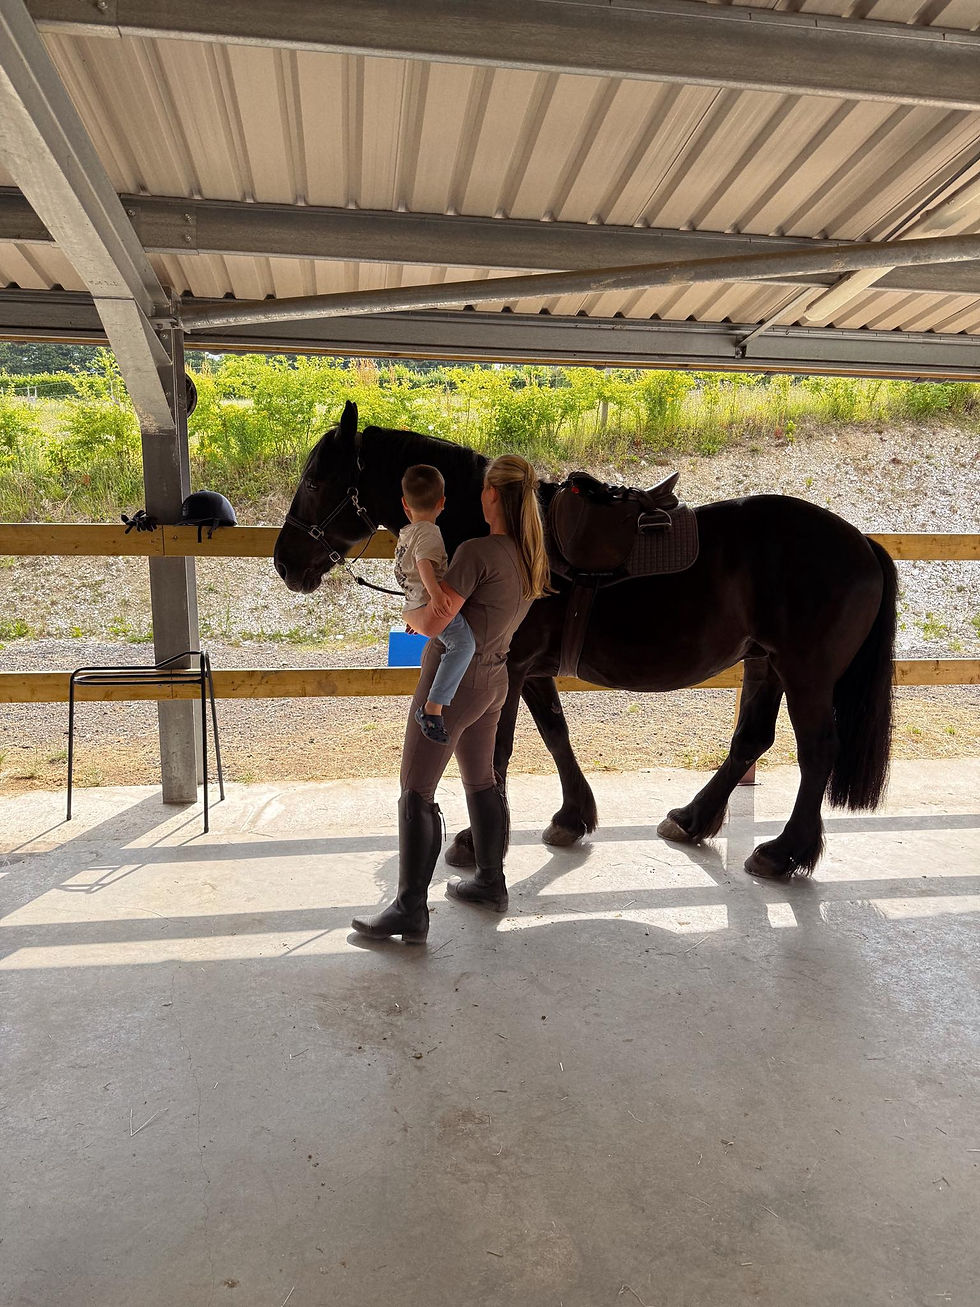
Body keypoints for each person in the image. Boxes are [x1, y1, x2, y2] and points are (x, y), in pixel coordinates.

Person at [352, 454, 551, 944]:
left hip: (454, 681)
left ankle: (410, 909)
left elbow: (435, 623)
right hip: (495, 680)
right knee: (481, 779)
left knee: (415, 789)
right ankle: (490, 881)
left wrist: (409, 615)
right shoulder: (529, 555)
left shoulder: (477, 553)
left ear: (489, 496)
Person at [394, 464, 476, 745]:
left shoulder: (406, 534)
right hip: (430, 605)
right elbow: (424, 565)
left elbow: (409, 573)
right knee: (464, 645)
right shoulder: (430, 532)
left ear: (405, 504)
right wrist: (437, 596)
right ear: (442, 503)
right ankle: (433, 708)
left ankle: (435, 703)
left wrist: (417, 610)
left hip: (414, 607)